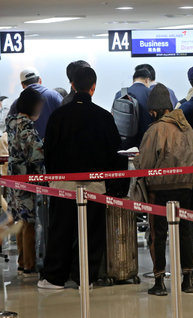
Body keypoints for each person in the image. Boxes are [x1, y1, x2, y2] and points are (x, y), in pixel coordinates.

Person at [39, 67, 127, 289]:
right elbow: (115, 152)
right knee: (92, 232)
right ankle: (85, 278)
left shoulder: (58, 115)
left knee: (61, 230)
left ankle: (55, 278)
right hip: (95, 185)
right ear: (93, 88)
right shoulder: (104, 116)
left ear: (72, 85)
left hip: (63, 184)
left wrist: (52, 177)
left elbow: (48, 150)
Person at [134, 84, 193, 295]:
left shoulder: (155, 130)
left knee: (158, 234)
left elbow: (145, 163)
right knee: (185, 232)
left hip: (160, 189)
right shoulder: (187, 128)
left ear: (155, 109)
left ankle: (159, 281)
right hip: (186, 187)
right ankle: (188, 279)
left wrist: (137, 161)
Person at [6, 87, 45, 277]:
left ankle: (22, 262)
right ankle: (30, 264)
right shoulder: (26, 125)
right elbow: (36, 153)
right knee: (29, 222)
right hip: (26, 179)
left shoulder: (11, 122)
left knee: (19, 221)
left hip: (14, 178)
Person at [8, 67, 62, 139]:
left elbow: (10, 128)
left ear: (22, 85)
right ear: (40, 80)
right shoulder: (54, 96)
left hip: (29, 148)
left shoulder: (17, 103)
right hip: (54, 146)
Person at [114, 68, 153, 147]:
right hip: (145, 144)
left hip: (124, 144)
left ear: (133, 81)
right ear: (147, 80)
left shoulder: (120, 94)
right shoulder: (152, 93)